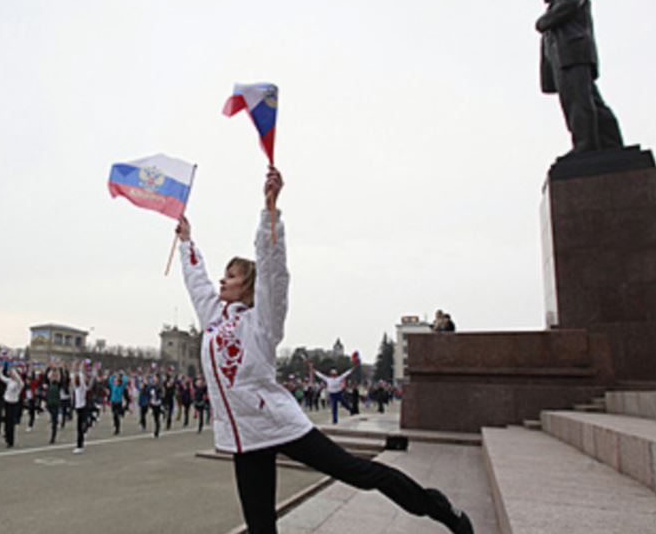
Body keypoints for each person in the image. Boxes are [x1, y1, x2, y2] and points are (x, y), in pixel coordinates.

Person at [175, 166, 473, 534]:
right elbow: (197, 283)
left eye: (232, 276)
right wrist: (187, 240)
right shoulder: (214, 317)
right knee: (260, 524)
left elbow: (272, 272)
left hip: (278, 424)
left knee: (359, 473)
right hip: (245, 436)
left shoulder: (263, 321)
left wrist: (270, 212)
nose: (223, 280)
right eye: (225, 273)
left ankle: (438, 508)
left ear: (249, 288)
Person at [537, 0, 623, 153]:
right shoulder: (556, 6)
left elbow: (569, 4)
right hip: (563, 61)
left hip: (573, 56)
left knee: (578, 101)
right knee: (588, 101)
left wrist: (543, 21)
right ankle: (610, 142)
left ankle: (585, 144)